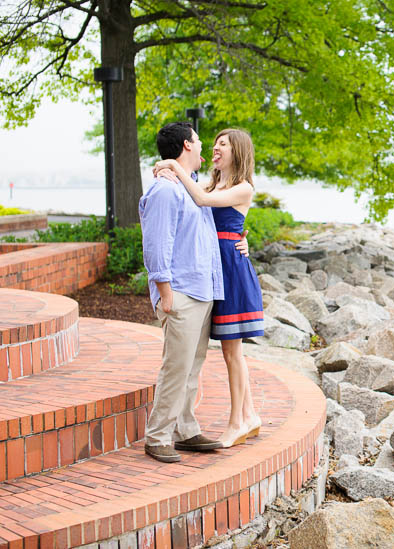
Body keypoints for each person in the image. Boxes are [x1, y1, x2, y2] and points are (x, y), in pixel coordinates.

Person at [140, 122, 249, 462]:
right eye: (202, 141)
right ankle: (158, 436)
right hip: (182, 291)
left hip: (203, 290)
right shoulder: (166, 190)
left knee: (192, 366)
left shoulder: (189, 187)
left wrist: (244, 240)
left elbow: (220, 217)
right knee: (176, 366)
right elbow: (157, 243)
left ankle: (185, 429)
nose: (206, 148)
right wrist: (164, 289)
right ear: (187, 145)